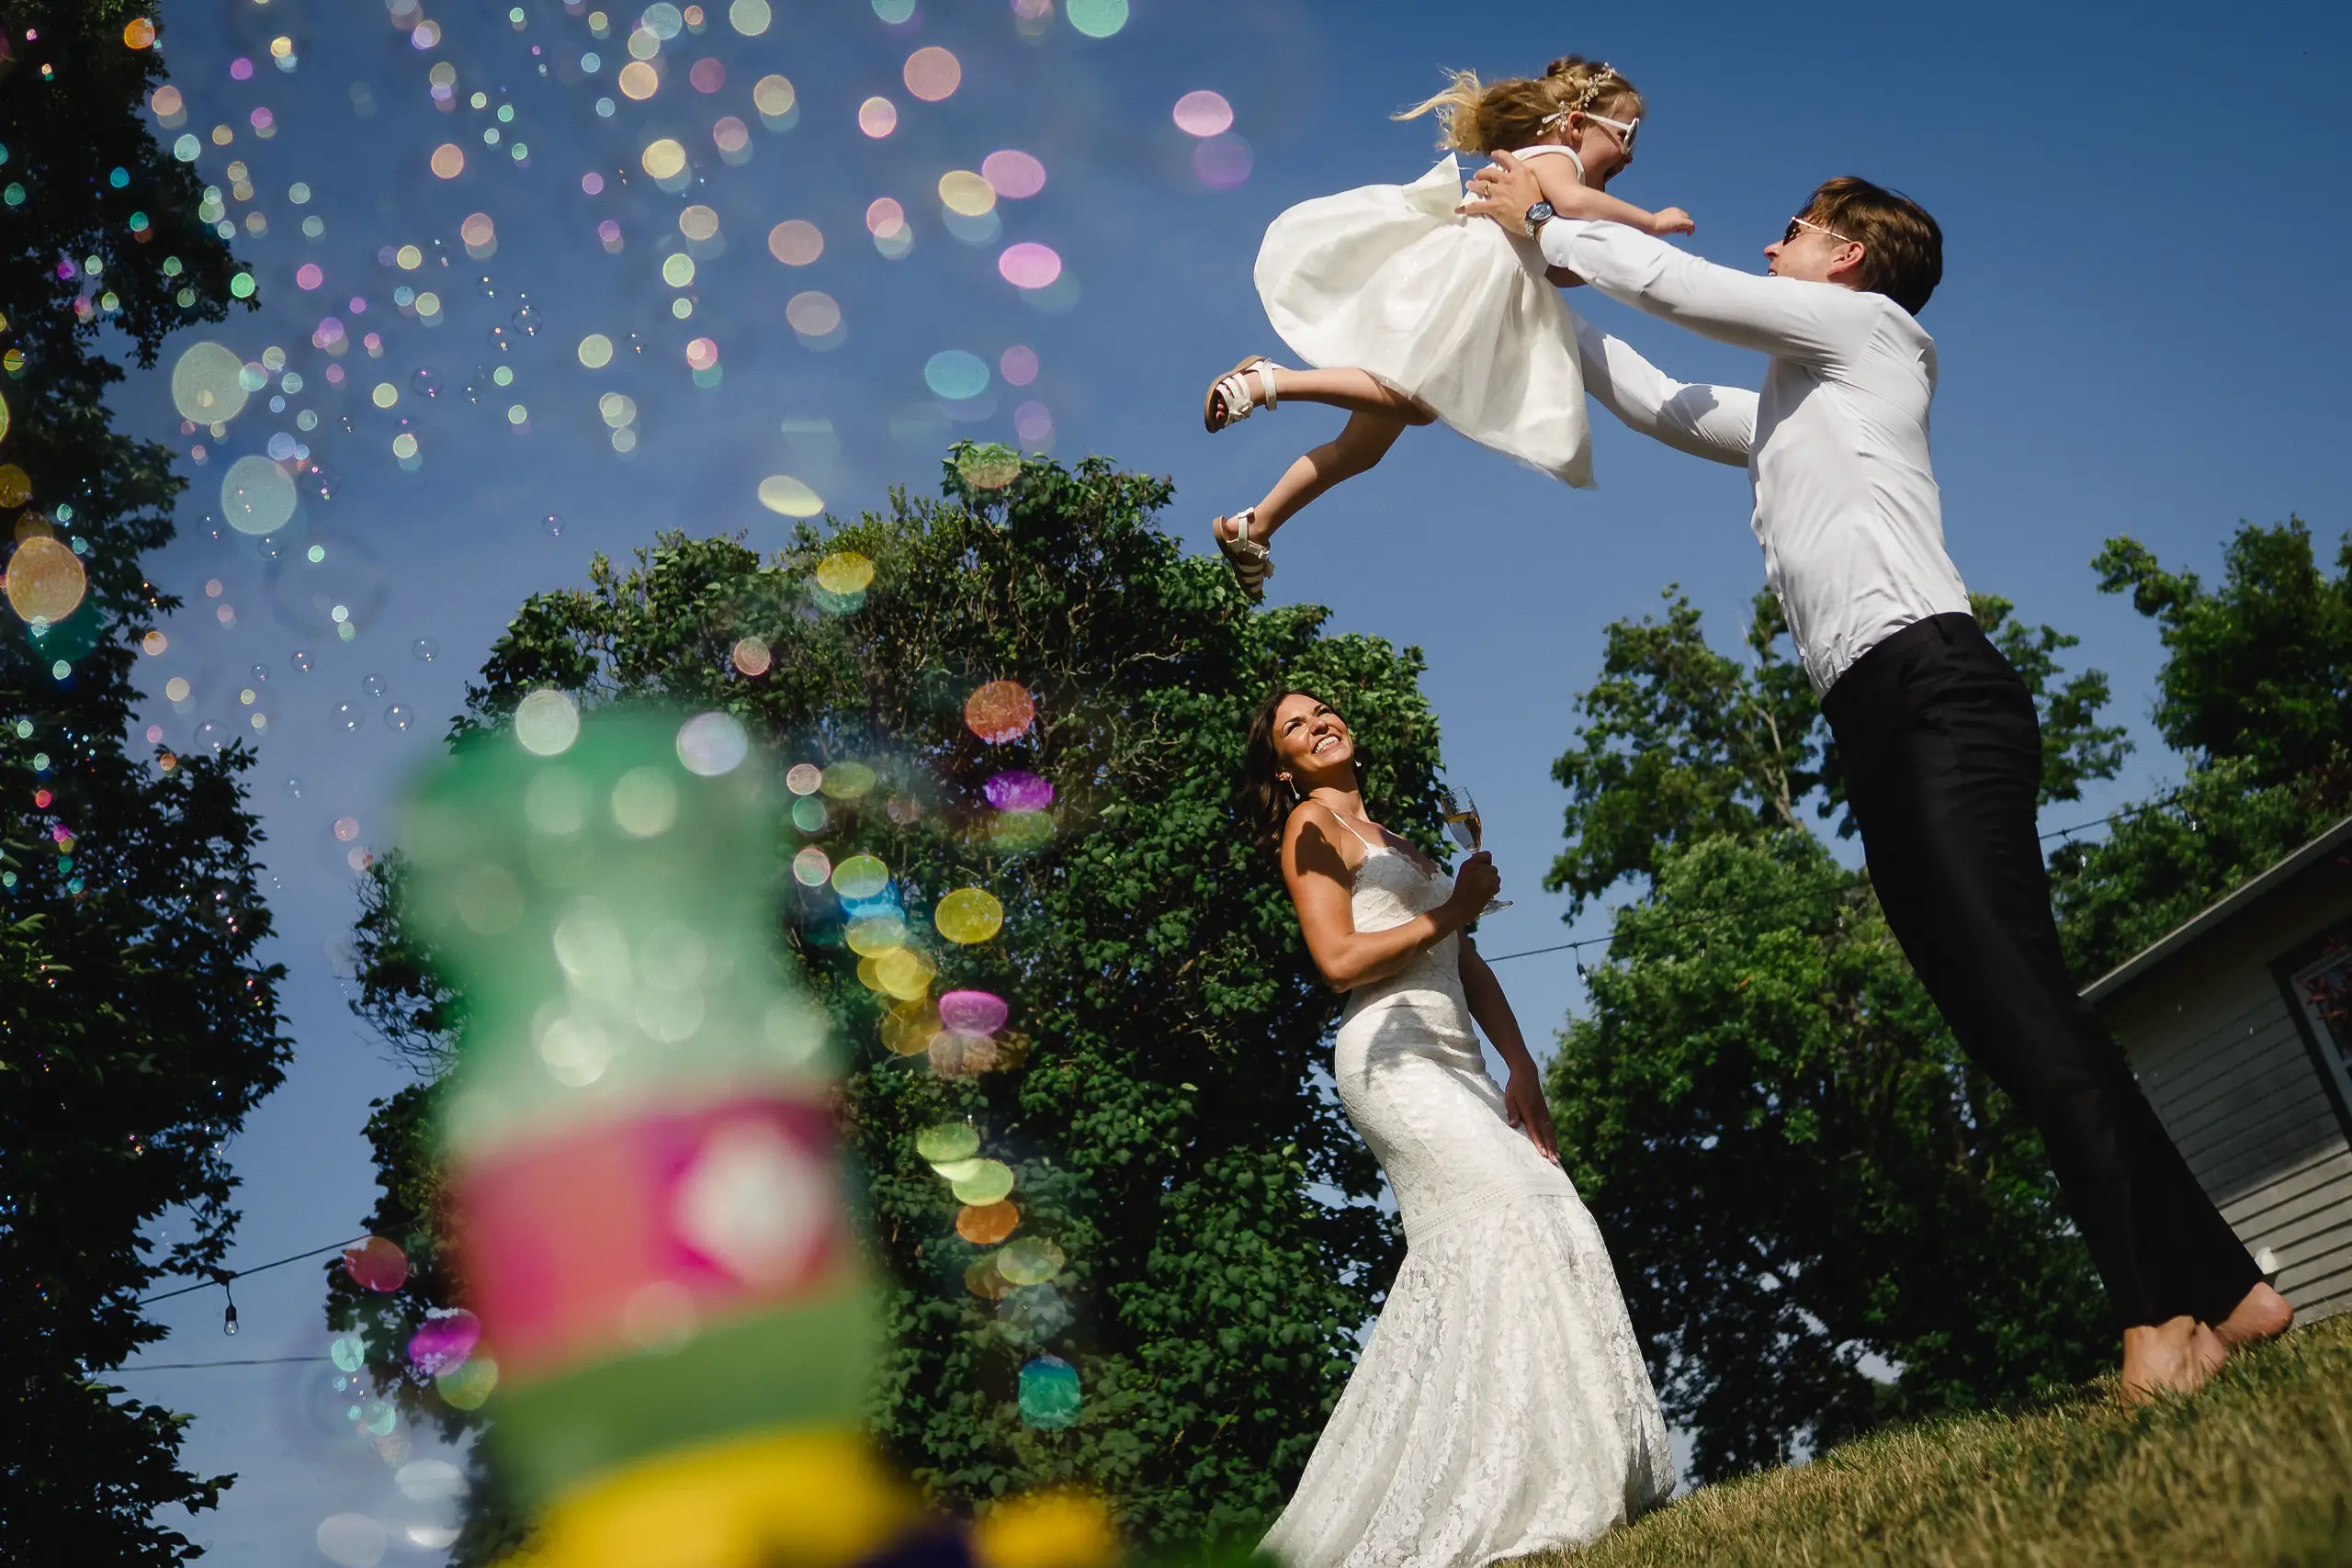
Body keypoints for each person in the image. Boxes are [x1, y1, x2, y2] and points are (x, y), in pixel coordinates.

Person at [1456, 157, 2295, 1403]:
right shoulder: (1803, 403)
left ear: (1848, 258)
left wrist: (1544, 210)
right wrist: (1529, 281)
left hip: (1936, 692)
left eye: (1792, 231)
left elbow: (1677, 289)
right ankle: (2233, 1290)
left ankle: (2160, 1318)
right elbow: (1652, 392)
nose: (1772, 240)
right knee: (2019, 1022)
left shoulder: (1875, 335)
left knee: (2026, 1017)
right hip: (1880, 723)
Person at [1243, 687, 1673, 1567]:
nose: (1318, 720)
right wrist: (1454, 909)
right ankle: (1515, 1487)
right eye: (1295, 725)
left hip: (1461, 1058)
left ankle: (1559, 1463)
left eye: (1323, 708)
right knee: (1508, 1209)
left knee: (1546, 1204)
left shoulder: (1401, 839)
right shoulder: (1311, 831)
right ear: (1283, 768)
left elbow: (1464, 962)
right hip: (1391, 1060)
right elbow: (1336, 961)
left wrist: (1522, 1065)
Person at [1202, 58, 1692, 602]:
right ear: (1576, 125)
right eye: (1625, 135)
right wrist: (1650, 222)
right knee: (1415, 403)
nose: (1628, 154)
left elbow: (1553, 264)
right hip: (1467, 284)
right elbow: (1576, 204)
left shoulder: (1538, 175)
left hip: (1468, 278)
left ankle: (1256, 525)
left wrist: (1584, 258)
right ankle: (1272, 380)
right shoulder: (1559, 162)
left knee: (1362, 449)